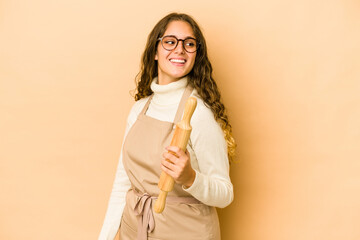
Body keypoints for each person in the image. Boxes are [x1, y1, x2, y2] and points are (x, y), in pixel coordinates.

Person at [99, 12, 236, 240]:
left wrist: (190, 177)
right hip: (136, 231)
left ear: (196, 55)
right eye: (170, 41)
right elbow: (122, 183)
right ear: (155, 51)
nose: (180, 50)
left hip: (186, 232)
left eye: (189, 44)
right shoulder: (139, 109)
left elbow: (225, 194)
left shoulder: (199, 113)